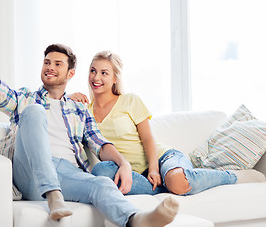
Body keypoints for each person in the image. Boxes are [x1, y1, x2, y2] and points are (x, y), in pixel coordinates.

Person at [0, 22, 180, 227]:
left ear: (70, 73)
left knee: (102, 184)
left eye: (58, 64)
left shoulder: (79, 109)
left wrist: (123, 163)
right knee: (34, 111)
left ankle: (137, 221)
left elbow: (100, 144)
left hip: (66, 172)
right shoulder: (25, 99)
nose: (50, 67)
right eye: (47, 62)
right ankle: (52, 195)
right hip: (29, 172)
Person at [70, 50, 265, 196]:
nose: (96, 77)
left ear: (114, 78)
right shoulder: (83, 111)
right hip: (132, 173)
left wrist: (154, 168)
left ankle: (233, 176)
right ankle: (167, 186)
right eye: (93, 71)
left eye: (104, 73)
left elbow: (148, 138)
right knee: (101, 172)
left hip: (163, 158)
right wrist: (68, 97)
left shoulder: (130, 101)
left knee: (177, 182)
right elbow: (57, 113)